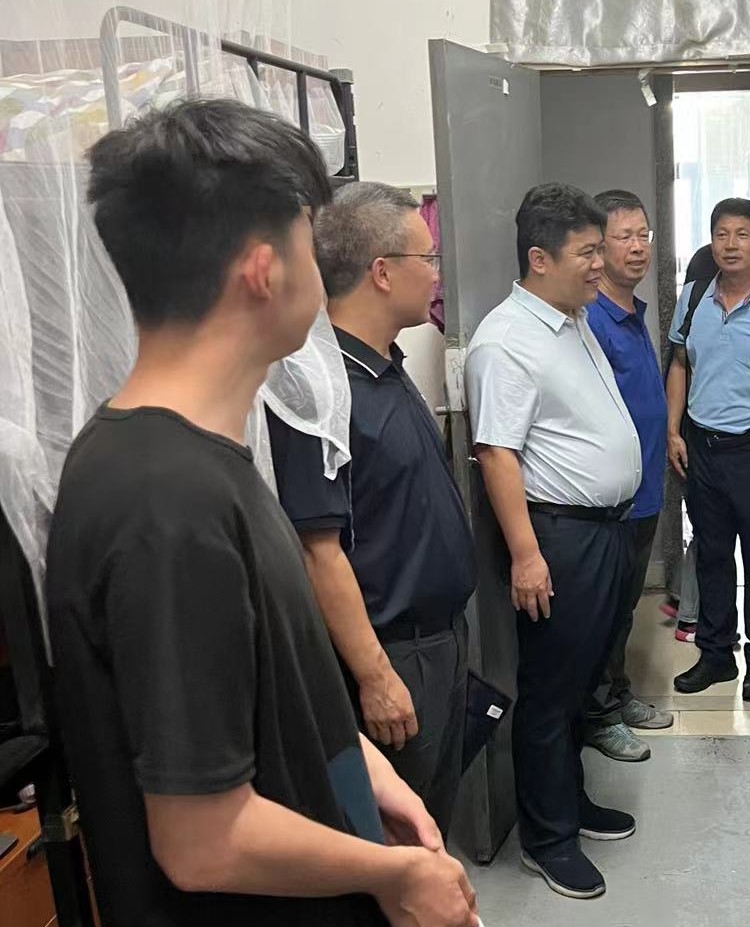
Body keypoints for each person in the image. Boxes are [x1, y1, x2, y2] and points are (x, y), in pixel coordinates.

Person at [45, 99, 478, 927]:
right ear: (263, 270)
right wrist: (394, 874)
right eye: (309, 241)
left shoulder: (205, 461)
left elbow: (273, 695)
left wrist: (365, 769)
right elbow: (203, 839)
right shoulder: (163, 502)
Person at [266, 181, 477, 838]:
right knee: (398, 838)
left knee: (432, 823)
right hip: (393, 652)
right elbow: (317, 551)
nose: (437, 273)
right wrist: (376, 675)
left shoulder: (385, 364)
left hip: (439, 639)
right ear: (382, 272)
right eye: (427, 258)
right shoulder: (318, 392)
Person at [465, 183, 641, 900]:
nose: (601, 264)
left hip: (603, 531)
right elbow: (497, 453)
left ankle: (571, 802)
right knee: (549, 691)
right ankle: (547, 838)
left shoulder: (573, 319)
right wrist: (526, 555)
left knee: (580, 683)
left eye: (601, 249)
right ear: (540, 259)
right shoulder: (506, 340)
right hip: (558, 537)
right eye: (587, 252)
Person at [667, 199, 750, 702]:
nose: (730, 244)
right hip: (701, 446)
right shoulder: (694, 296)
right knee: (712, 555)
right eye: (721, 234)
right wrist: (674, 431)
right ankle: (716, 655)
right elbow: (680, 363)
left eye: (742, 235)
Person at [581, 190, 675, 763]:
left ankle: (617, 696)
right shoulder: (591, 317)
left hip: (643, 494)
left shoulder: (632, 310)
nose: (638, 247)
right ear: (599, 247)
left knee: (623, 610)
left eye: (644, 235)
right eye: (624, 237)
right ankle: (598, 715)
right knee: (602, 614)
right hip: (611, 501)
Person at [660, 243, 719, 643]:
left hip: (684, 437)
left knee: (703, 528)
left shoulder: (690, 315)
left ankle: (683, 598)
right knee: (707, 530)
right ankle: (689, 616)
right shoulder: (696, 314)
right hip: (693, 439)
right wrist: (675, 434)